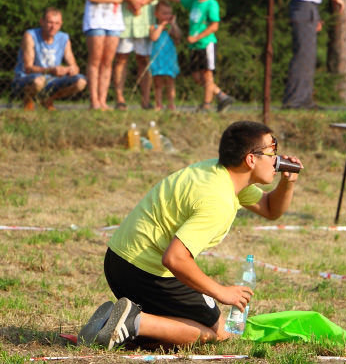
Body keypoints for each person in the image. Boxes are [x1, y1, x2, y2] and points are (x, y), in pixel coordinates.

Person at [78, 121, 302, 350]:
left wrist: (287, 182)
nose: (277, 159)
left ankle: (113, 324)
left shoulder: (220, 172)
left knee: (189, 327)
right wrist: (222, 292)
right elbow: (174, 259)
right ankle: (135, 322)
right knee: (219, 333)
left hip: (118, 261)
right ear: (251, 159)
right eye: (272, 151)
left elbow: (270, 209)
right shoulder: (219, 200)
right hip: (145, 271)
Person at [154, 0, 234, 113]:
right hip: (194, 46)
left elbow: (214, 26)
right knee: (197, 78)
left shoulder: (211, 4)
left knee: (207, 75)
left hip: (205, 44)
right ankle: (221, 96)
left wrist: (197, 37)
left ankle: (206, 104)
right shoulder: (195, 1)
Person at [283, 0, 345, 110]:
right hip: (304, 5)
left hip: (301, 5)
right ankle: (295, 100)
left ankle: (303, 98)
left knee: (306, 54)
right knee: (304, 55)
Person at [78, 0, 130, 110]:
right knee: (95, 60)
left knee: (108, 61)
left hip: (114, 21)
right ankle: (93, 100)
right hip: (95, 20)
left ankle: (103, 100)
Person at [112, 0, 163, 110]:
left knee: (144, 59)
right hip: (123, 16)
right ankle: (119, 97)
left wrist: (142, 1)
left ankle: (145, 99)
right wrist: (131, 0)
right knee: (121, 58)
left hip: (145, 16)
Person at [11, 7, 87, 111]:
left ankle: (48, 99)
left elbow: (74, 65)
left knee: (81, 82)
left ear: (61, 24)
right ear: (42, 22)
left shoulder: (64, 38)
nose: (53, 27)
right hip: (28, 78)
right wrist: (51, 70)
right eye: (50, 22)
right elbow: (27, 68)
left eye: (57, 23)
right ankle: (28, 99)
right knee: (39, 81)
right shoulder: (30, 36)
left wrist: (70, 70)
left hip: (53, 80)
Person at [149, 0, 181, 110]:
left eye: (169, 13)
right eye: (164, 13)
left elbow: (178, 39)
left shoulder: (171, 27)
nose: (167, 16)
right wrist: (161, 27)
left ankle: (171, 103)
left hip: (169, 58)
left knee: (170, 82)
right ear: (156, 14)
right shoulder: (154, 27)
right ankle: (158, 103)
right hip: (158, 58)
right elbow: (154, 37)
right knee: (158, 82)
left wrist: (173, 25)